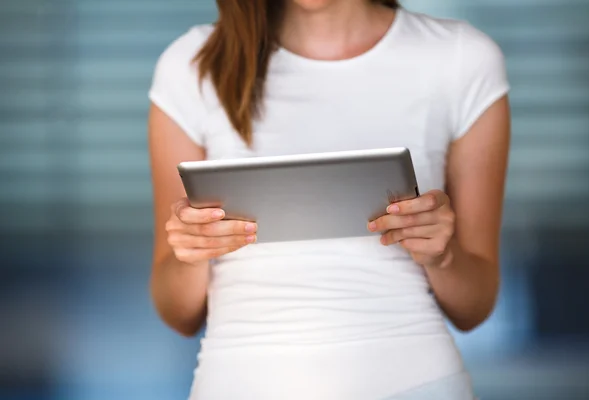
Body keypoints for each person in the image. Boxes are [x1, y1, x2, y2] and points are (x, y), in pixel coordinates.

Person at [147, 0, 510, 398]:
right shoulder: (190, 65)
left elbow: (474, 308)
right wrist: (193, 251)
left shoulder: (461, 59)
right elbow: (177, 312)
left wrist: (443, 255)